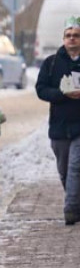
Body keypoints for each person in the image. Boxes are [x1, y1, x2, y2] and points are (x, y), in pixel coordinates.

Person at [36, 17, 80, 225]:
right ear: (63, 39)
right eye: (68, 35)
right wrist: (63, 94)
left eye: (76, 35)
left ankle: (70, 210)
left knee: (75, 167)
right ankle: (75, 200)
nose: (72, 39)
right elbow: (41, 90)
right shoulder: (51, 63)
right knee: (64, 170)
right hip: (59, 127)